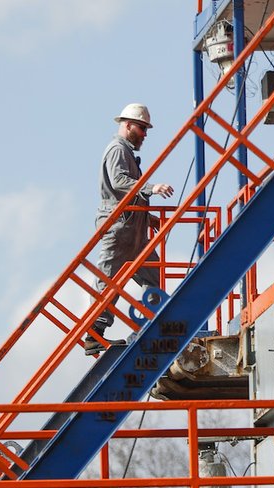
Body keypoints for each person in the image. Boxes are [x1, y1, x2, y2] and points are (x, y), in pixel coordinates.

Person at [84, 103, 174, 355]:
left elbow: (128, 194)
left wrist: (149, 218)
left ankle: (151, 321)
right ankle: (94, 333)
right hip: (119, 228)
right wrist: (151, 188)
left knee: (152, 276)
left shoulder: (125, 151)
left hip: (133, 229)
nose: (145, 134)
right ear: (128, 125)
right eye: (142, 128)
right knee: (109, 279)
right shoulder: (117, 149)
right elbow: (120, 182)